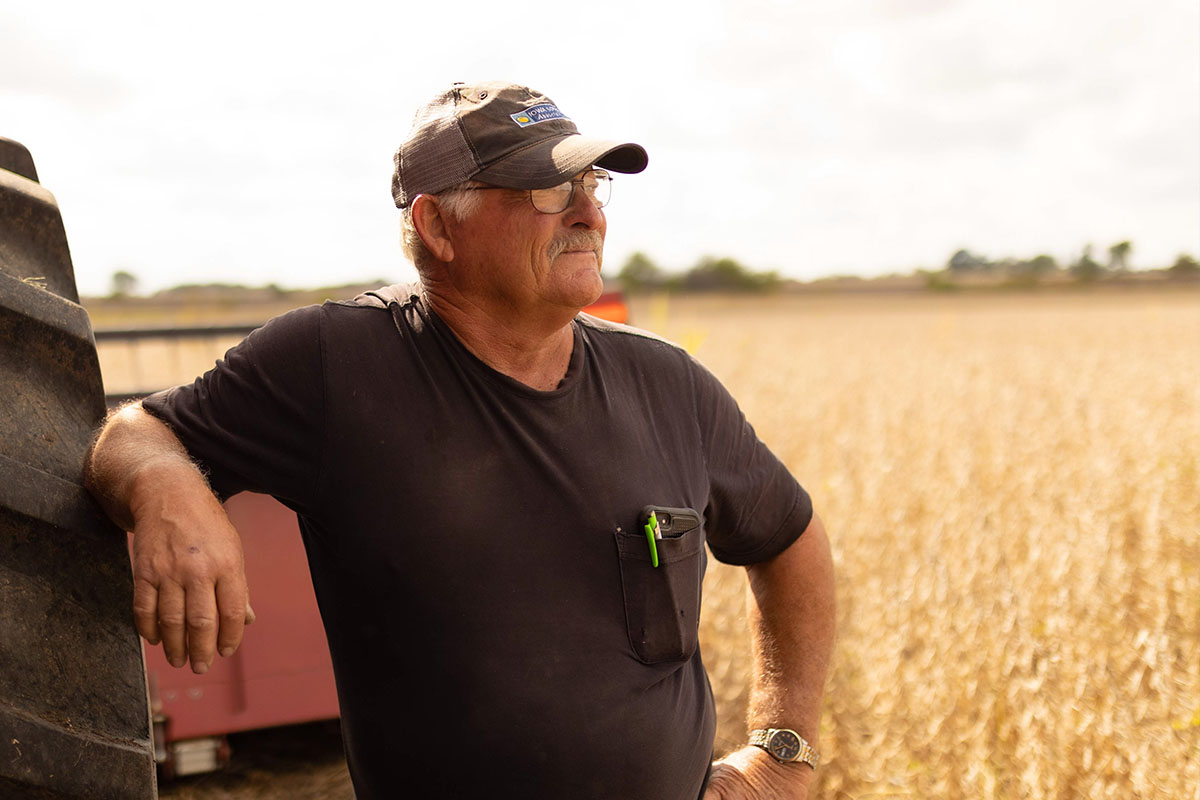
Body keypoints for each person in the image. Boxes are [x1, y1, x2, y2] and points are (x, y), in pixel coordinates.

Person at [84, 81, 835, 799]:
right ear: (439, 225)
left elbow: (790, 539)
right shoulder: (334, 366)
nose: (589, 215)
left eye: (593, 188)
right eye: (549, 192)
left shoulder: (669, 386)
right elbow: (135, 434)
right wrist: (171, 489)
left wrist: (782, 748)